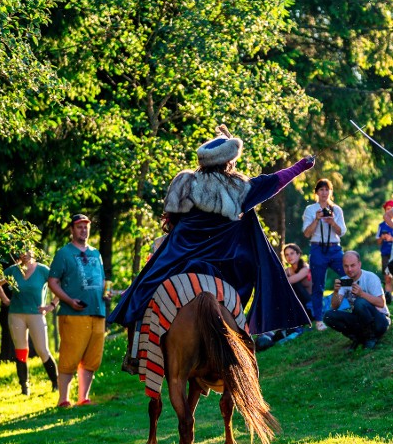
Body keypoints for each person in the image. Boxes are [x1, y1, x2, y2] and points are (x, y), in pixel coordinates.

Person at [110, 126, 314, 368]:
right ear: (229, 162)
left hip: (180, 259)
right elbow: (273, 182)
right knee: (239, 285)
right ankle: (242, 335)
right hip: (223, 266)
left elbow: (171, 218)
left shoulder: (184, 181)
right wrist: (301, 165)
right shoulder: (239, 187)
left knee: (141, 290)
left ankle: (135, 352)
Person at [48, 214, 107, 407]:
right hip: (73, 313)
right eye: (79, 227)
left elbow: (100, 281)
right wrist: (69, 300)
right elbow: (53, 282)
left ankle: (84, 397)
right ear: (72, 230)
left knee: (92, 358)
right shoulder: (63, 254)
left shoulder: (96, 254)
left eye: (86, 226)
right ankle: (63, 399)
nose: (84, 230)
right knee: (70, 356)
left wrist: (105, 294)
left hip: (98, 311)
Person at [0, 252, 59, 395]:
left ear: (33, 252)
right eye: (22, 252)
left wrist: (51, 305)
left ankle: (56, 383)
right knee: (21, 350)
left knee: (42, 350)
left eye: (28, 251)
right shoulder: (13, 270)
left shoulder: (42, 270)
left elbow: (58, 286)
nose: (25, 254)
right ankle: (25, 386)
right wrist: (5, 300)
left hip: (36, 314)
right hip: (16, 315)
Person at [302, 178, 347, 331]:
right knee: (318, 285)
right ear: (316, 192)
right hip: (317, 249)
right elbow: (307, 233)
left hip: (335, 248)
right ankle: (319, 320)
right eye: (321, 189)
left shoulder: (337, 210)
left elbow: (342, 232)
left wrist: (332, 222)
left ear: (330, 192)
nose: (324, 192)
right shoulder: (310, 209)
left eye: (327, 189)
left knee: (347, 276)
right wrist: (317, 219)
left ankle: (352, 306)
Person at [322, 251, 390, 350]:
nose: (349, 269)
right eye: (346, 266)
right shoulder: (345, 280)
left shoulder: (370, 277)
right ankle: (358, 337)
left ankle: (371, 337)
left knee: (359, 302)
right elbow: (334, 307)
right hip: (361, 321)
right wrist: (336, 292)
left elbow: (381, 303)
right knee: (328, 316)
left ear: (359, 264)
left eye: (352, 265)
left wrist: (362, 294)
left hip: (380, 320)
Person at [377, 200, 393, 303]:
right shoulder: (381, 226)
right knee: (387, 276)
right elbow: (378, 241)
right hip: (385, 253)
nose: (389, 211)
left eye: (391, 209)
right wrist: (382, 237)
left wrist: (391, 238)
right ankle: (388, 297)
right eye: (387, 209)